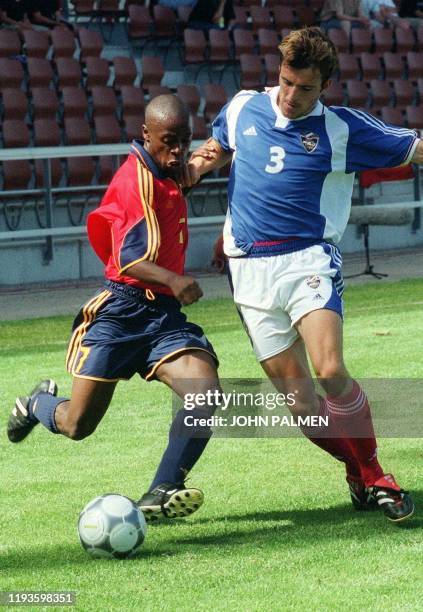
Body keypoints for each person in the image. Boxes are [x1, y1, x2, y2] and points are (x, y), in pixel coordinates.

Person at [188, 27, 421, 523]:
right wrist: (193, 167)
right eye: (286, 82)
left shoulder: (342, 129)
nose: (291, 96)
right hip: (248, 270)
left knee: (330, 370)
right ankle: (358, 470)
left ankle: (377, 474)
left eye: (305, 88)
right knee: (304, 412)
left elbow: (415, 147)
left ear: (326, 86)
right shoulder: (242, 106)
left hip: (308, 260)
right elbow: (216, 146)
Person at [7, 95, 220, 522]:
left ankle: (162, 489)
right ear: (146, 135)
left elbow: (201, 161)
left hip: (162, 318)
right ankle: (36, 405)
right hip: (120, 312)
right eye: (167, 142)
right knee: (77, 426)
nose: (177, 151)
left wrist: (226, 141)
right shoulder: (136, 181)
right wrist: (176, 279)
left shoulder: (170, 170)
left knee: (205, 393)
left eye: (183, 140)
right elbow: (128, 259)